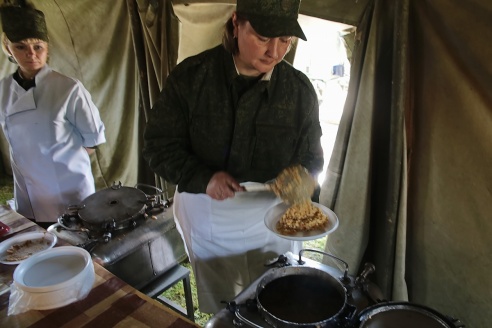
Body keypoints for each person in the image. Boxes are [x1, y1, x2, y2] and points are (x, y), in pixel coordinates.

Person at [143, 0, 323, 313]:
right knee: (225, 304)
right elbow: (158, 146)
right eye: (264, 39)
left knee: (275, 297)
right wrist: (204, 177)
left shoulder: (298, 91)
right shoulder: (192, 78)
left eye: (285, 40)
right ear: (236, 22)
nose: (275, 52)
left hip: (272, 218)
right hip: (210, 214)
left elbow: (311, 157)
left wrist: (302, 180)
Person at [0, 3, 106, 229]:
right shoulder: (3, 90)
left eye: (38, 46)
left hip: (67, 189)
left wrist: (59, 160)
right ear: (7, 47)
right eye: (20, 47)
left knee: (75, 243)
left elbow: (93, 139)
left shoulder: (68, 88)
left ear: (47, 47)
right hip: (28, 191)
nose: (31, 54)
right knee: (36, 244)